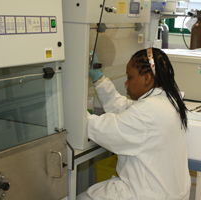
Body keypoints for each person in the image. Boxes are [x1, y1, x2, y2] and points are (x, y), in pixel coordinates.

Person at [78, 47, 191, 200]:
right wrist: (99, 79)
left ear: (146, 78)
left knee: (83, 197)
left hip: (148, 194)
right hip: (170, 193)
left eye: (129, 77)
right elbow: (121, 106)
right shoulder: (169, 102)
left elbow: (105, 130)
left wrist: (73, 112)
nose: (126, 83)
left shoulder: (147, 112)